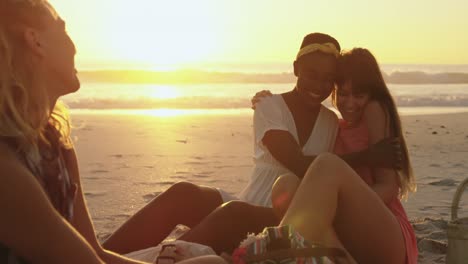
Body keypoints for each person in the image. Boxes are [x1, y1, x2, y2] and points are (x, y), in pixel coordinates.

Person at [102, 33, 401, 256]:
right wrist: (369, 155)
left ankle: (155, 259)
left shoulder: (331, 121)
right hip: (249, 200)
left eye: (328, 80)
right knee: (185, 193)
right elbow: (296, 161)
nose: (319, 86)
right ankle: (99, 253)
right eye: (311, 74)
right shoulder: (269, 106)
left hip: (285, 212)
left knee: (233, 214)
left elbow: (336, 174)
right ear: (296, 68)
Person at [0, 0, 227, 263]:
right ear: (35, 41)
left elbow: (95, 253)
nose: (74, 47)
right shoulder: (7, 168)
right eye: (62, 30)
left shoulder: (53, 142)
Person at [270, 48, 418, 264]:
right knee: (285, 186)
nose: (349, 103)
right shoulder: (334, 126)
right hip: (353, 240)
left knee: (327, 164)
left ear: (371, 93)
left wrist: (340, 211)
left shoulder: (375, 109)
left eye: (358, 95)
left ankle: (275, 251)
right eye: (343, 94)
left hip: (387, 234)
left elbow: (388, 187)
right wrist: (270, 102)